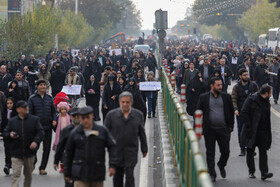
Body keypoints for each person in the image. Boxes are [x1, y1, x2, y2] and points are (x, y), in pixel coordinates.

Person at [64, 106, 117, 187]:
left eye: (88, 117)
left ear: (92, 116)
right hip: (80, 173)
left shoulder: (102, 131)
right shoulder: (75, 133)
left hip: (97, 173)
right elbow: (69, 153)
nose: (85, 120)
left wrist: (112, 165)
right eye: (83, 118)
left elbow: (112, 147)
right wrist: (67, 172)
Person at [104, 91, 148, 187]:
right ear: (119, 102)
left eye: (127, 102)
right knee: (117, 178)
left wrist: (144, 149)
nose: (125, 104)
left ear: (131, 102)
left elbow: (142, 133)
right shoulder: (112, 116)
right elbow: (104, 133)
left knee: (129, 177)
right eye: (123, 102)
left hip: (131, 151)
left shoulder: (138, 115)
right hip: (116, 152)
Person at [197, 77, 234, 182]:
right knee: (210, 152)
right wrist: (198, 128)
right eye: (218, 85)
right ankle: (212, 173)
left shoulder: (226, 97)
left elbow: (231, 112)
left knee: (226, 151)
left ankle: (221, 164)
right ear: (212, 86)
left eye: (221, 85)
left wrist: (230, 126)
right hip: (210, 130)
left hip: (224, 130)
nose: (220, 87)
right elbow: (198, 112)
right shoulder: (203, 97)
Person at [3, 100, 44, 187]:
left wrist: (35, 141)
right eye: (24, 107)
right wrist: (10, 135)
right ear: (18, 110)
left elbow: (40, 132)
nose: (26, 108)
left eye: (27, 106)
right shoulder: (12, 121)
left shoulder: (34, 120)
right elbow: (5, 133)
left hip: (29, 153)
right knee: (16, 175)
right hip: (16, 153)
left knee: (28, 176)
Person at [241, 85, 273, 180]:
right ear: (266, 93)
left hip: (263, 131)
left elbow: (267, 118)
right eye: (270, 93)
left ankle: (264, 173)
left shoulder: (266, 101)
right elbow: (244, 112)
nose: (271, 95)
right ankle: (251, 171)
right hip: (252, 130)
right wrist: (248, 127)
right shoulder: (252, 99)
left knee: (263, 152)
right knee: (250, 151)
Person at [28, 79, 57, 175]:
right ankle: (33, 161)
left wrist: (54, 120)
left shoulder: (49, 98)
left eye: (45, 85)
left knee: (47, 149)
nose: (43, 86)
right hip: (36, 129)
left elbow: (53, 111)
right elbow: (30, 114)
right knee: (34, 147)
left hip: (48, 127)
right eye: (41, 85)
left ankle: (42, 168)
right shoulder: (32, 99)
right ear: (37, 86)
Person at [231, 68, 258, 156]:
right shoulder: (236, 87)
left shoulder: (253, 85)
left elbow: (258, 96)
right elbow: (234, 99)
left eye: (247, 75)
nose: (246, 76)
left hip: (252, 112)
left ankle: (251, 148)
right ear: (240, 76)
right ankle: (242, 148)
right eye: (244, 75)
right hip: (241, 112)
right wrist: (235, 109)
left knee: (251, 130)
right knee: (241, 131)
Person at [53, 107, 80, 187]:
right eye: (74, 116)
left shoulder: (86, 129)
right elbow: (60, 146)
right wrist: (56, 161)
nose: (76, 117)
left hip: (83, 162)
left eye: (78, 115)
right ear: (71, 117)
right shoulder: (66, 130)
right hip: (69, 161)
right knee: (69, 183)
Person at [0, 97, 17, 175]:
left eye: (11, 103)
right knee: (7, 150)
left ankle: (14, 165)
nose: (9, 105)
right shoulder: (4, 112)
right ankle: (7, 165)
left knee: (14, 150)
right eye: (7, 103)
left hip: (15, 134)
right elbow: (2, 123)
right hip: (6, 134)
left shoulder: (16, 113)